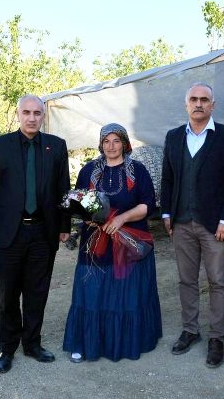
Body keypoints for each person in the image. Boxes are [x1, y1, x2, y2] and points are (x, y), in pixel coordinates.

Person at [0, 95, 71, 374]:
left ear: (43, 116)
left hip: (43, 231)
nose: (32, 118)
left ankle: (32, 343)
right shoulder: (0, 145)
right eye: (27, 112)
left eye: (37, 113)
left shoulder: (56, 146)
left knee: (37, 291)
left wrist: (64, 226)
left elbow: (63, 188)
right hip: (10, 232)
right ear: (18, 114)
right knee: (9, 293)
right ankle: (7, 347)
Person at [160, 82, 224, 368]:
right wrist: (166, 213)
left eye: (204, 99)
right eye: (194, 99)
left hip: (215, 225)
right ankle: (190, 330)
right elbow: (168, 178)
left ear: (212, 105)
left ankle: (217, 337)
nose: (199, 104)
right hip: (181, 222)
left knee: (218, 281)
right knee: (186, 280)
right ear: (186, 104)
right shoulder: (173, 136)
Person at [62, 124, 162, 362]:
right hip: (95, 242)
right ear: (100, 144)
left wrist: (121, 218)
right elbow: (79, 202)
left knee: (126, 293)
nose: (111, 146)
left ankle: (125, 342)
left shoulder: (137, 170)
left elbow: (147, 205)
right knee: (92, 290)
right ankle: (85, 342)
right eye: (106, 141)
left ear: (125, 143)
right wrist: (91, 217)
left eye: (116, 141)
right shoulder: (89, 171)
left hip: (129, 242)